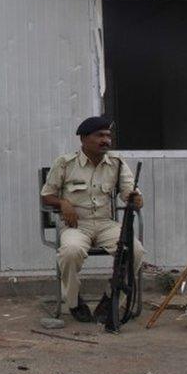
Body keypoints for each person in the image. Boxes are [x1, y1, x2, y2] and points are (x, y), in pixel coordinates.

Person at [41, 116, 144, 323]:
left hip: (106, 225)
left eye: (108, 135)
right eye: (100, 136)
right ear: (84, 138)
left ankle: (112, 298)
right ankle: (73, 302)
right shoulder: (65, 163)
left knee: (136, 251)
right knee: (70, 251)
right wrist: (63, 203)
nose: (106, 140)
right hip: (76, 225)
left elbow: (129, 193)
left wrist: (135, 198)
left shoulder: (117, 163)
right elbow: (46, 195)